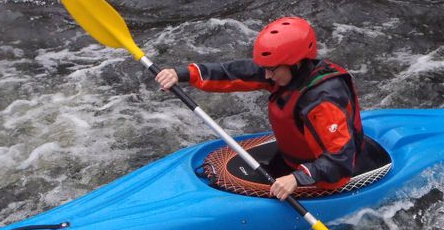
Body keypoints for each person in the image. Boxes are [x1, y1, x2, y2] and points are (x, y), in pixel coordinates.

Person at [155, 17, 370, 201]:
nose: (266, 76)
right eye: (266, 69)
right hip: (293, 161)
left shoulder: (324, 100)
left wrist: (298, 178)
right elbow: (233, 73)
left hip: (327, 179)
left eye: (271, 70)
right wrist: (183, 74)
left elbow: (340, 162)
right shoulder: (284, 72)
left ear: (295, 63)